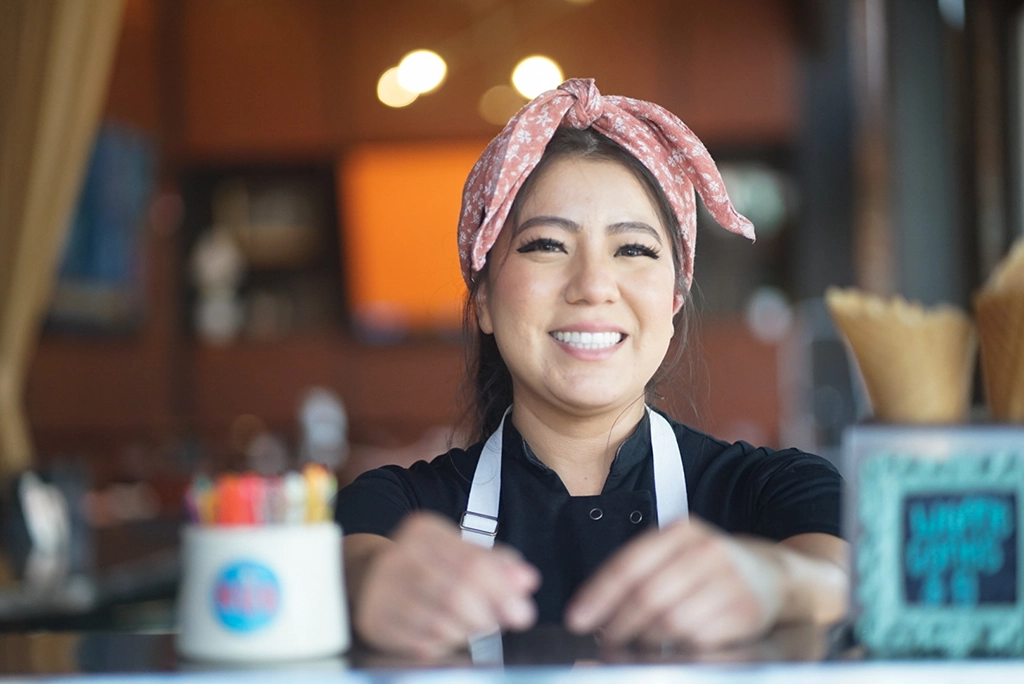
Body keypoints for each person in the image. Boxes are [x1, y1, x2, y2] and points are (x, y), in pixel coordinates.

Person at [335, 78, 848, 658]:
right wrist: (366, 584)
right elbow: (347, 563)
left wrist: (773, 582)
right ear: (482, 298)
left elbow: (845, 574)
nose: (593, 287)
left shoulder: (773, 491)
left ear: (674, 301)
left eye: (633, 250)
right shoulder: (397, 504)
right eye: (546, 245)